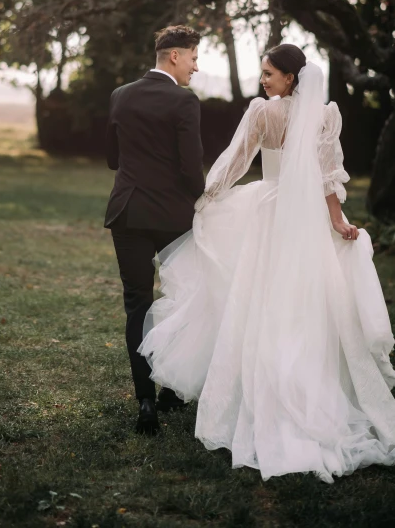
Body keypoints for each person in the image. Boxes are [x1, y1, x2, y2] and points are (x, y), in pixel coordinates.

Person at [139, 44, 395, 482]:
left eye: (270, 74)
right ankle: (292, 384)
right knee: (295, 302)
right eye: (262, 73)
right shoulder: (325, 114)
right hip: (309, 215)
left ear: (290, 78)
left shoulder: (264, 113)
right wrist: (335, 219)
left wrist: (208, 195)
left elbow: (238, 161)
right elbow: (329, 175)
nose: (263, 80)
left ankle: (281, 391)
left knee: (274, 301)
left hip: (274, 211)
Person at [105, 25, 205, 434]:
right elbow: (191, 170)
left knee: (137, 304)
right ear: (175, 56)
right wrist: (197, 196)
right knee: (182, 300)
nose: (196, 68)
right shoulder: (184, 102)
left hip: (128, 213)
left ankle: (146, 402)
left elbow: (113, 159)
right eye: (194, 58)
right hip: (172, 218)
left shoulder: (120, 95)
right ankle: (170, 391)